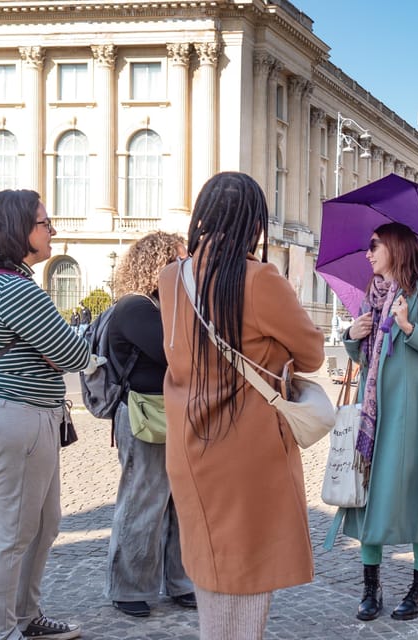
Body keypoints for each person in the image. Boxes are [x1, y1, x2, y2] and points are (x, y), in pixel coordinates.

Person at [157, 172, 324, 639]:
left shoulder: (172, 277)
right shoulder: (258, 278)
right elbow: (311, 353)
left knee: (212, 569)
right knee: (245, 583)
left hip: (191, 444)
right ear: (254, 224)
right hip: (247, 448)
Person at [0, 189, 90, 640]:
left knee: (44, 523)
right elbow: (74, 352)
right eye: (44, 222)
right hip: (16, 418)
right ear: (20, 230)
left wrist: (55, 353)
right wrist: (58, 352)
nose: (52, 229)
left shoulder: (2, 282)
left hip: (24, 416)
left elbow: (61, 353)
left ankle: (24, 617)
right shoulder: (12, 288)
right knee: (12, 534)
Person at [337, 221, 418, 622]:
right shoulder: (371, 296)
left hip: (409, 409)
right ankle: (371, 585)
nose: (368, 253)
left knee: (417, 493)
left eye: (374, 245)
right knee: (367, 494)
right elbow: (364, 358)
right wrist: (351, 334)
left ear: (396, 248)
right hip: (372, 413)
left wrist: (410, 327)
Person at [105, 231, 195, 617]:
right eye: (179, 260)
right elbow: (176, 354)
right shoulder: (135, 308)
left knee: (181, 503)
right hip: (146, 414)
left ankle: (181, 581)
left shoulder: (166, 308)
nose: (187, 267)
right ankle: (129, 587)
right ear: (158, 264)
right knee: (144, 499)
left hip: (173, 413)